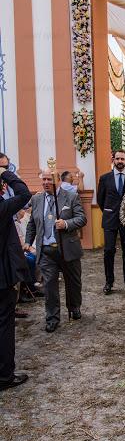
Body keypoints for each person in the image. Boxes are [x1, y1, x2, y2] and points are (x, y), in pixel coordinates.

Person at [25, 169, 87, 333]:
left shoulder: (70, 196)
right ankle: (52, 317)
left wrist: (66, 224)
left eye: (48, 179)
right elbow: (32, 223)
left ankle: (74, 307)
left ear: (57, 180)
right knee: (50, 285)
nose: (45, 182)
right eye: (43, 179)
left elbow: (82, 218)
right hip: (46, 250)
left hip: (67, 248)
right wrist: (27, 241)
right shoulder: (37, 198)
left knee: (73, 282)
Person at [0, 158, 32, 391]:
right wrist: (5, 174)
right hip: (2, 277)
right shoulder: (2, 207)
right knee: (4, 324)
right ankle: (5, 375)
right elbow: (23, 194)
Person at [97, 150, 125, 295]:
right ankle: (109, 282)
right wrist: (109, 211)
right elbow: (100, 200)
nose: (120, 161)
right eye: (117, 158)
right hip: (110, 220)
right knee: (109, 251)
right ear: (113, 159)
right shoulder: (105, 178)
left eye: (122, 159)